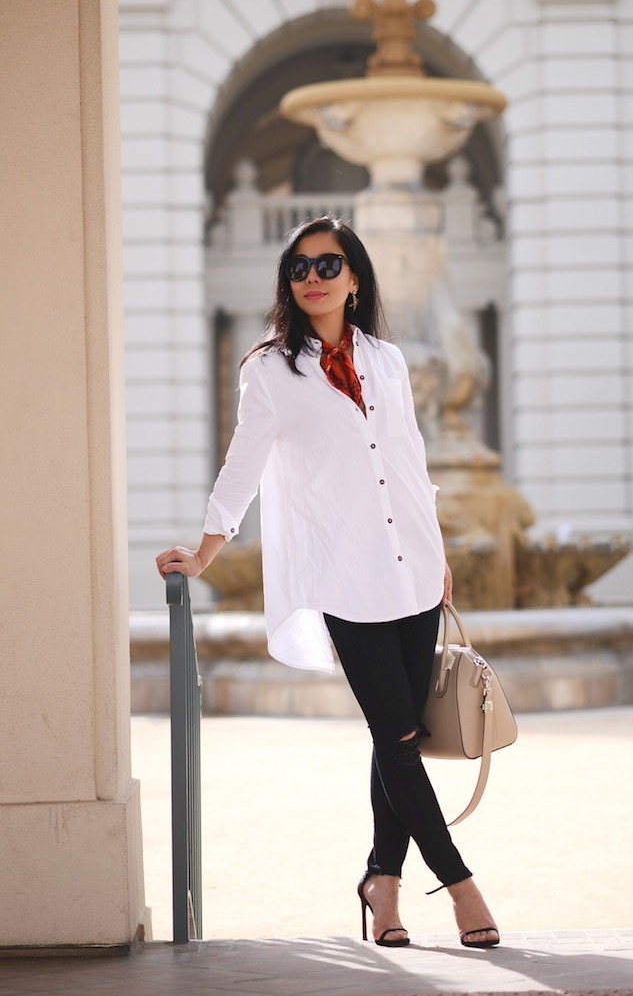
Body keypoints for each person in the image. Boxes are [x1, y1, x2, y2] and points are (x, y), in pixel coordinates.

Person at [156, 215, 499, 949]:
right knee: (399, 736)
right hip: (345, 577)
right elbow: (242, 466)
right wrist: (208, 553)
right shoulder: (268, 371)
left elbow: (408, 461)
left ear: (354, 277)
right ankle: (463, 887)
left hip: (410, 569)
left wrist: (435, 550)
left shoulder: (389, 360)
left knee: (396, 737)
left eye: (327, 264)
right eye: (299, 267)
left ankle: (382, 883)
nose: (312, 277)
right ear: (288, 282)